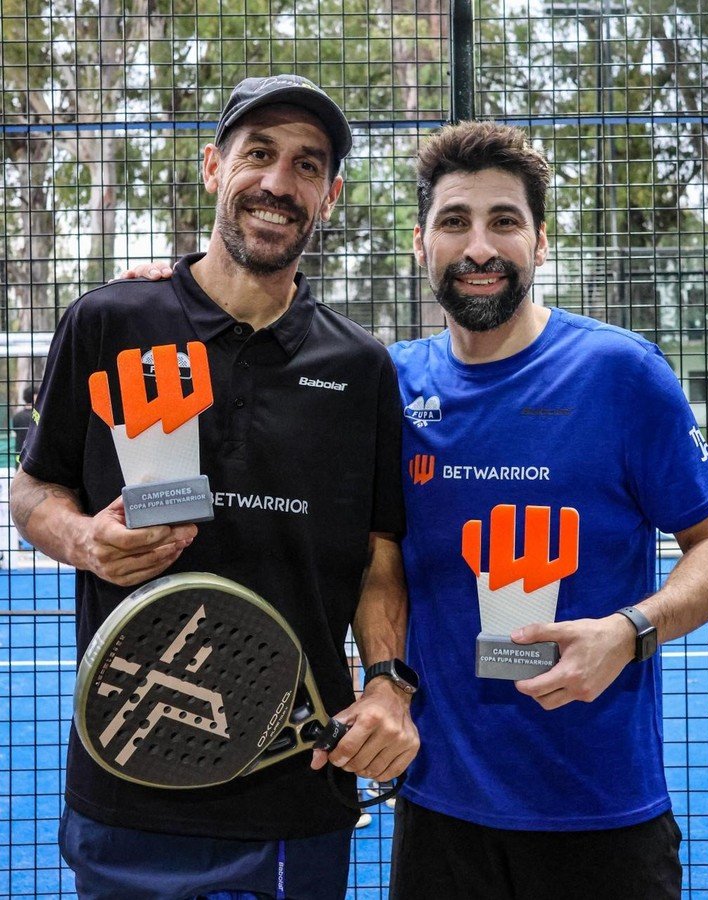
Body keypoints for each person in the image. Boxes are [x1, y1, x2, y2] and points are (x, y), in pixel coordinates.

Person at [10, 74, 419, 900]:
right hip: (126, 775)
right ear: (212, 168)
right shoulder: (110, 321)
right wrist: (83, 538)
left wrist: (388, 683)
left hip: (292, 785)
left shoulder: (362, 368)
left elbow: (378, 555)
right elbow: (32, 493)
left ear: (330, 196)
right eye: (258, 154)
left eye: (308, 166)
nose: (278, 182)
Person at [384, 120, 708, 899]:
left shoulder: (620, 373)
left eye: (504, 221)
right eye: (454, 222)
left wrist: (628, 632)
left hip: (602, 815)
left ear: (540, 243)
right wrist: (166, 300)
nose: (479, 247)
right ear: (420, 243)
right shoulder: (389, 386)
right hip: (440, 813)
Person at [12, 385, 35, 466]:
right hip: (34, 457)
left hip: (20, 456)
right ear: (35, 396)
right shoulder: (39, 416)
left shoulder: (17, 416)